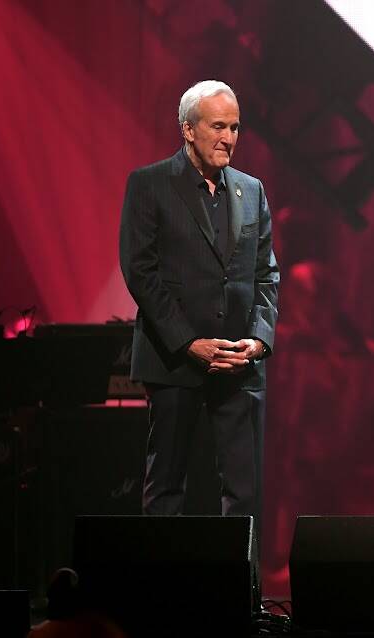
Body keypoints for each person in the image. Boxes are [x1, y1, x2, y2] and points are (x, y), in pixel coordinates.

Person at [119, 80, 280, 540]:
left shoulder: (251, 189)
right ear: (188, 130)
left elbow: (267, 274)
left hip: (238, 363)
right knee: (167, 485)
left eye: (235, 127)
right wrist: (190, 343)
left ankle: (242, 600)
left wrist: (258, 340)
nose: (228, 137)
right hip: (174, 360)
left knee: (244, 492)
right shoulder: (149, 184)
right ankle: (160, 599)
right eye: (218, 126)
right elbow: (141, 273)